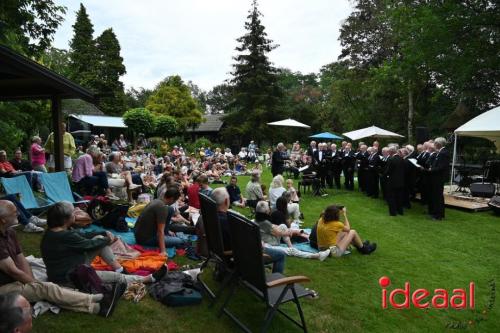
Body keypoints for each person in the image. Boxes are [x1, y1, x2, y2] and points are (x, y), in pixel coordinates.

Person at [0, 200, 125, 318]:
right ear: (3, 220)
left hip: (64, 272)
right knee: (47, 289)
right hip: (5, 287)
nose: (19, 213)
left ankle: (98, 308)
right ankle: (98, 298)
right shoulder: (63, 235)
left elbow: (21, 259)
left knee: (48, 293)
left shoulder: (10, 232)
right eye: (14, 212)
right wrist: (35, 284)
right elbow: (13, 271)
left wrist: (31, 281)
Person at [40, 201, 166, 286]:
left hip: (65, 269)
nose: (76, 213)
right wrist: (107, 239)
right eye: (74, 213)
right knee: (115, 278)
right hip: (69, 277)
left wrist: (104, 234)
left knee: (100, 241)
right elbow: (88, 244)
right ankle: (146, 279)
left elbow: (83, 236)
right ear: (66, 219)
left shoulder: (53, 232)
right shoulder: (66, 236)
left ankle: (120, 269)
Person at [211, 189, 286, 273]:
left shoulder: (212, 217)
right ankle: (276, 280)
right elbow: (244, 243)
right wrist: (258, 245)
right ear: (226, 201)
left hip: (226, 255)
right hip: (240, 257)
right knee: (281, 255)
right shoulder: (228, 221)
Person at [255, 201, 330, 261]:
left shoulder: (258, 219)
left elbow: (273, 227)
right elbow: (278, 233)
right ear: (266, 211)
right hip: (269, 244)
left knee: (283, 226)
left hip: (266, 241)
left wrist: (288, 230)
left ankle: (291, 246)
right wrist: (290, 232)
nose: (270, 208)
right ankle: (316, 256)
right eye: (268, 207)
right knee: (291, 251)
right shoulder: (265, 222)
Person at [134, 187, 186, 251]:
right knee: (181, 240)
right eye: (175, 201)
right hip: (146, 239)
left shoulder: (156, 201)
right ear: (172, 199)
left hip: (139, 234)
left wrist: (167, 231)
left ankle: (167, 233)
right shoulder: (162, 208)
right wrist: (163, 251)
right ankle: (174, 236)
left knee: (170, 209)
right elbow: (160, 231)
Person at [422, 137, 450, 220]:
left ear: (438, 144)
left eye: (435, 143)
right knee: (437, 196)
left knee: (437, 197)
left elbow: (441, 167)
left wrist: (431, 169)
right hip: (436, 177)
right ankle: (438, 213)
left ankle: (437, 215)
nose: (434, 145)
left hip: (438, 178)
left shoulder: (443, 153)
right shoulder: (440, 152)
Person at [384, 146, 406, 216]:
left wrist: (384, 174)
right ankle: (400, 211)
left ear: (391, 152)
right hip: (401, 181)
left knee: (391, 197)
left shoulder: (391, 159)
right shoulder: (402, 159)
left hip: (392, 181)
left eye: (389, 151)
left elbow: (388, 171)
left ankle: (393, 212)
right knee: (399, 197)